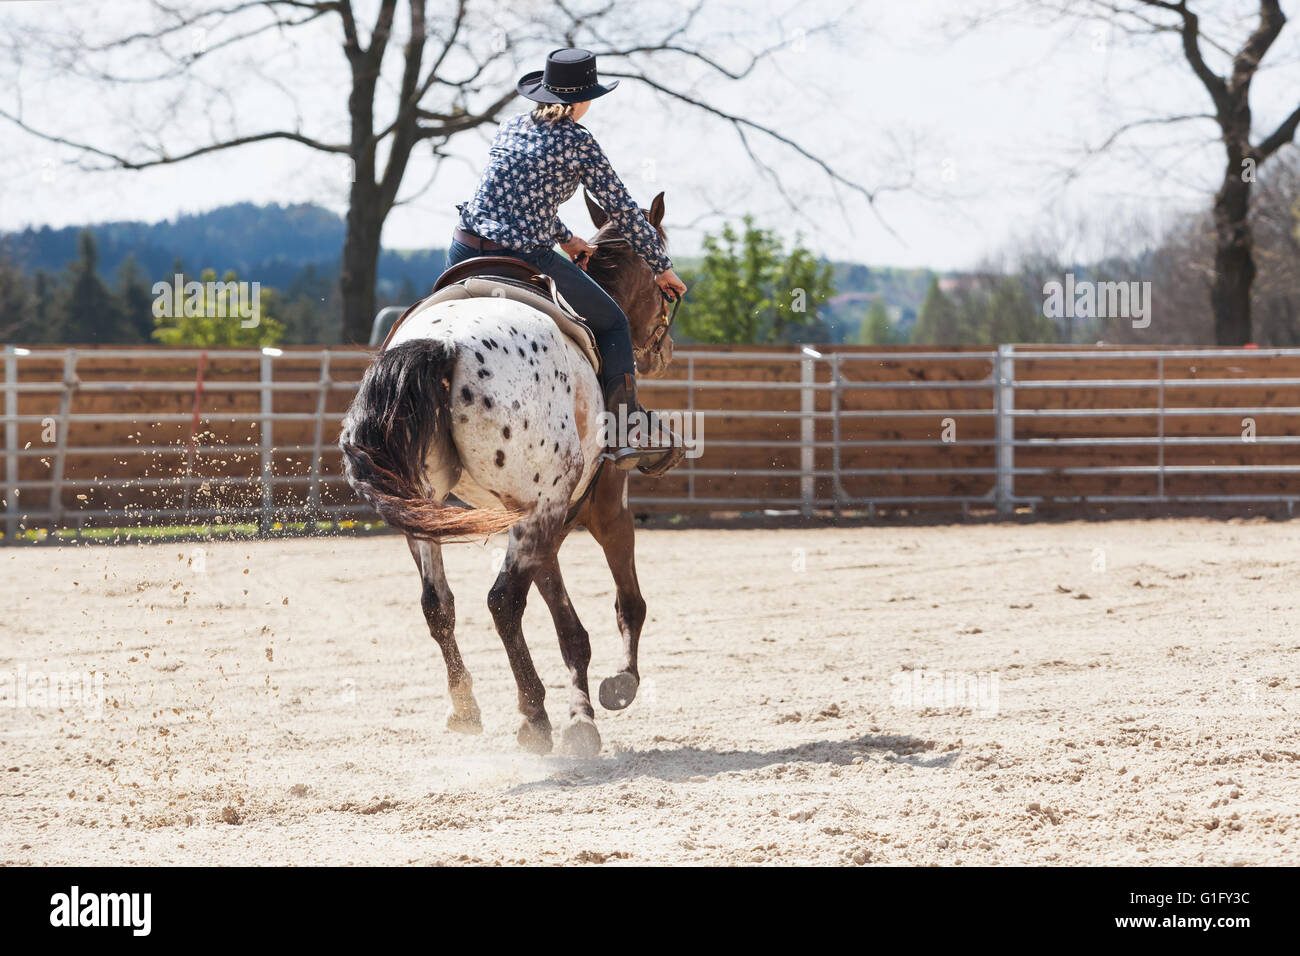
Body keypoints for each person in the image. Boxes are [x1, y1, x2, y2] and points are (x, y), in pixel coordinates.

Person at [445, 47, 686, 470]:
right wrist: (661, 266)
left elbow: (514, 200)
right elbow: (626, 212)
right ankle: (627, 430)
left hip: (465, 246)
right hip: (522, 253)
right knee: (612, 323)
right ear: (579, 101)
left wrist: (569, 237)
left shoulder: (511, 126)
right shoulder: (579, 142)